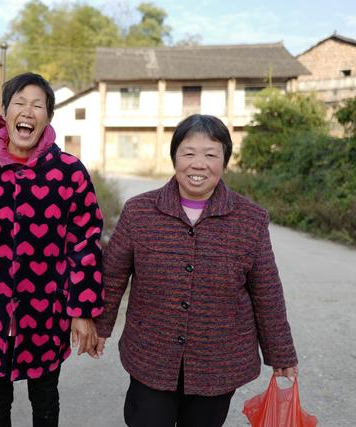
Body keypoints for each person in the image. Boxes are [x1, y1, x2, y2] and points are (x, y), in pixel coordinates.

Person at [94, 114, 298, 427]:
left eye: (211, 154)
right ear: (174, 157)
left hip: (218, 363)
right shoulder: (140, 211)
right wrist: (99, 326)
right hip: (151, 355)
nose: (198, 164)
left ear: (225, 161)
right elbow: (113, 274)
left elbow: (266, 291)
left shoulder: (251, 219)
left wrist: (281, 354)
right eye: (188, 153)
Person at [0, 72, 104, 426]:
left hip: (46, 309)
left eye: (37, 105)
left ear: (47, 117)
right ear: (4, 111)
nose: (27, 111)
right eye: (19, 103)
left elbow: (85, 240)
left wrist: (81, 308)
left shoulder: (68, 172)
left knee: (45, 399)